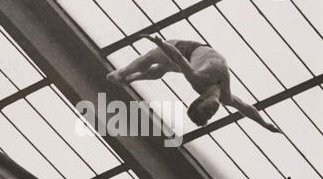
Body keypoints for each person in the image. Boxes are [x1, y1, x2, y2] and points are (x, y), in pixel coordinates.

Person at [107, 35, 281, 133]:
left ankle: (122, 74)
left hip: (187, 50)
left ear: (200, 100)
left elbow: (178, 58)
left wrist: (161, 43)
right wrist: (264, 124)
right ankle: (129, 78)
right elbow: (246, 108)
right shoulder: (226, 97)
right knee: (162, 68)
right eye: (211, 114)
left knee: (152, 58)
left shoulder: (197, 79)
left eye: (205, 109)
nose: (212, 110)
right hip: (195, 58)